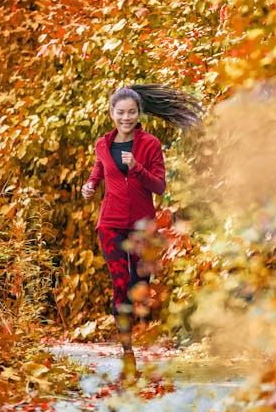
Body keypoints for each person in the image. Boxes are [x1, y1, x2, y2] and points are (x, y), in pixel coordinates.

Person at [81, 84, 201, 380]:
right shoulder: (102, 144)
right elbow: (99, 170)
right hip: (110, 224)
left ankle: (136, 335)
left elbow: (159, 186)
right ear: (111, 114)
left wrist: (135, 167)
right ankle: (127, 354)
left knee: (139, 287)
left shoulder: (150, 144)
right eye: (120, 113)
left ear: (139, 114)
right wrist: (90, 186)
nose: (125, 118)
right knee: (120, 285)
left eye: (131, 113)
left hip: (142, 226)